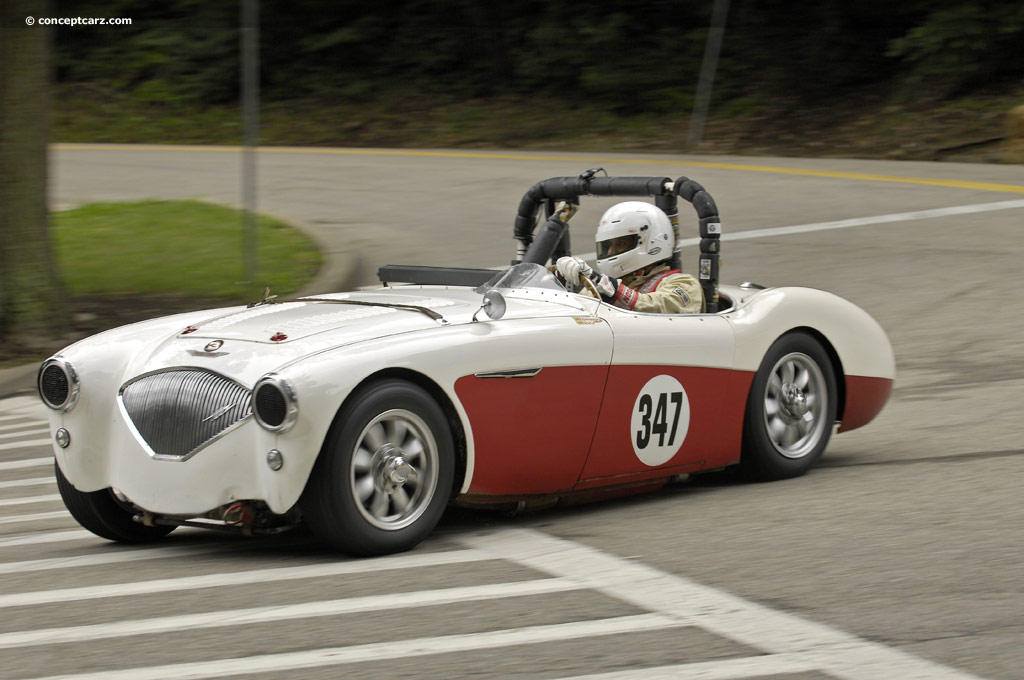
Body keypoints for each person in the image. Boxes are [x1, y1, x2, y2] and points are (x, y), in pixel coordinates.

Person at [556, 201, 704, 314]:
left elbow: (661, 306)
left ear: (650, 241)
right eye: (608, 246)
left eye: (620, 244)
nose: (611, 252)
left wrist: (610, 289)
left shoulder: (684, 284)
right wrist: (562, 284)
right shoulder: (605, 287)